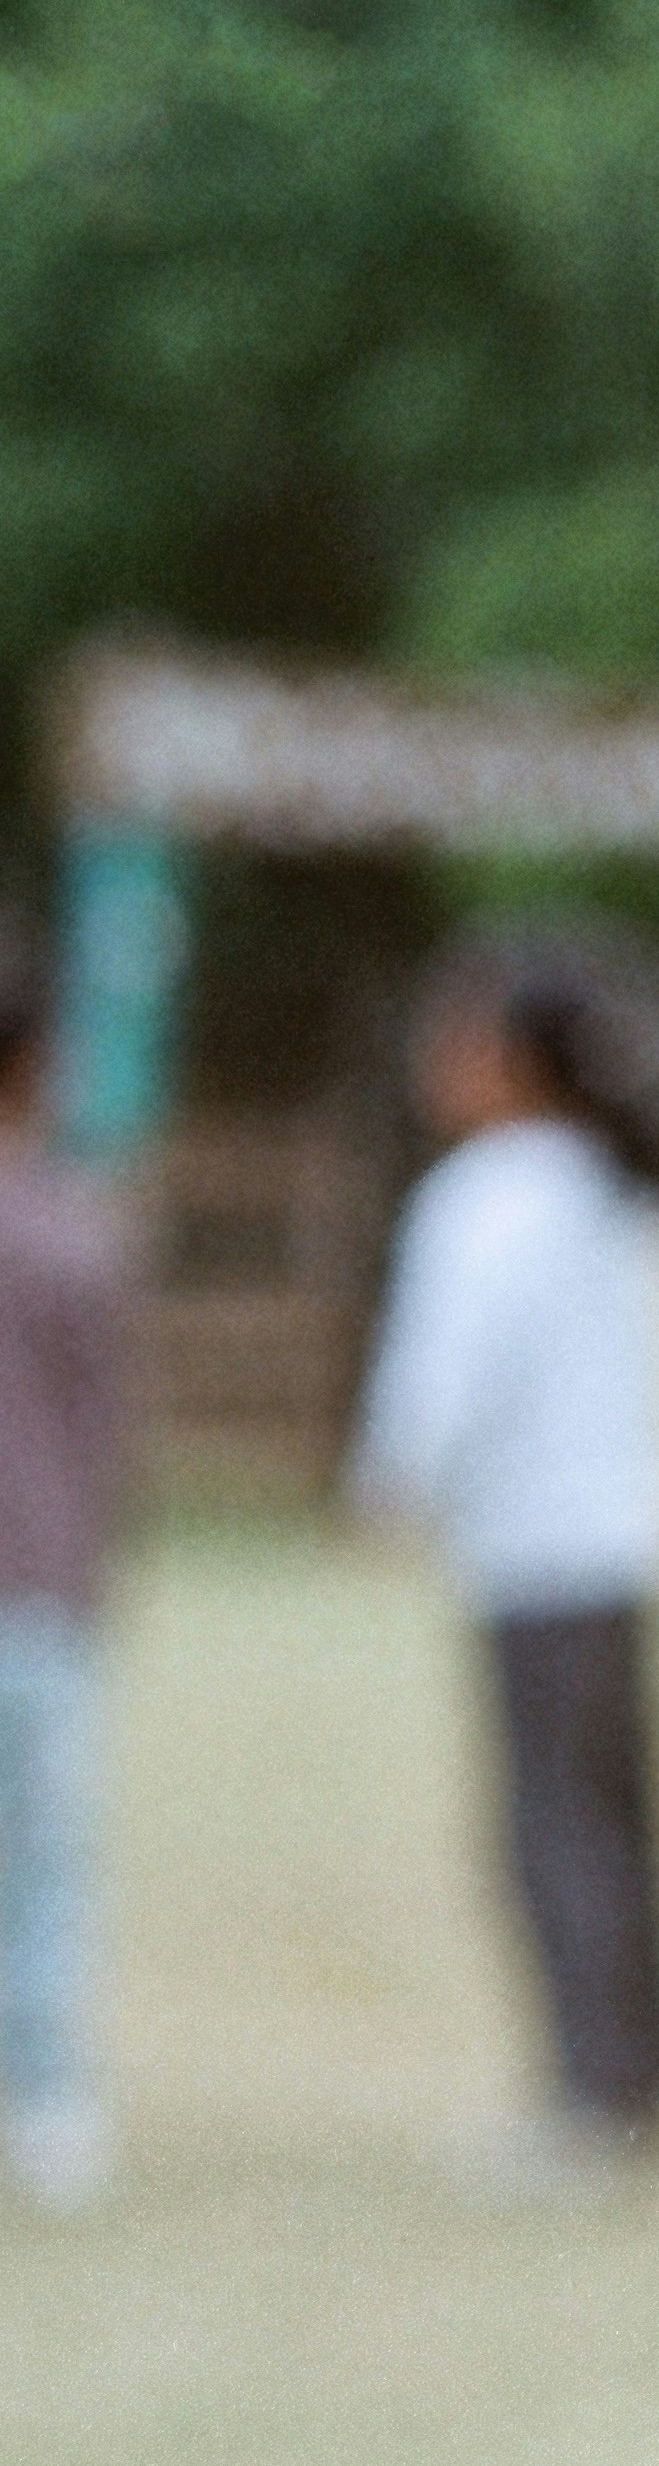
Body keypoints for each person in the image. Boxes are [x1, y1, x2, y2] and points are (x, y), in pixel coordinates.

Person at [354, 937, 659, 2172]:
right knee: (621, 1821)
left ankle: (592, 2099)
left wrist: (389, 1485)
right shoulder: (617, 1191)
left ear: (505, 1059)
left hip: (535, 1552)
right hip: (622, 1539)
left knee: (553, 1827)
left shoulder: (487, 1196)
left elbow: (443, 1380)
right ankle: (648, 2071)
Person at [0, 945, 131, 2213]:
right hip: (37, 1593)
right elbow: (106, 1440)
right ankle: (44, 2094)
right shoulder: (70, 1234)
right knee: (41, 1861)